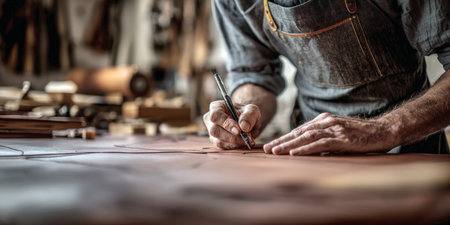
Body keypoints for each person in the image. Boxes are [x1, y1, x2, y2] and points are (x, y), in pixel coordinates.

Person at [203, 0, 450, 155]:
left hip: (407, 149)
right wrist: (243, 111)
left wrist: (383, 129)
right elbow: (253, 74)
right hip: (308, 150)